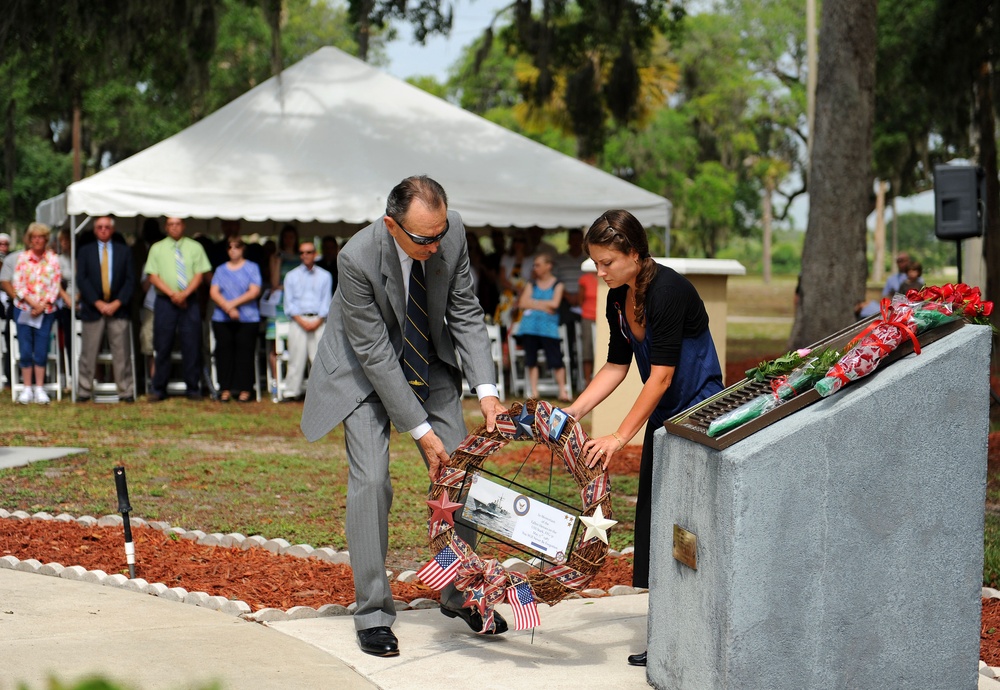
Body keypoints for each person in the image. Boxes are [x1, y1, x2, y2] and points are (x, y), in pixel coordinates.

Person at [300, 175, 507, 658]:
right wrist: (421, 431)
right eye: (423, 239)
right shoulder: (355, 257)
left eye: (439, 235)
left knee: (460, 472)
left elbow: (466, 312)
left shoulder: (450, 232)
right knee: (372, 481)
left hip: (428, 361)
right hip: (361, 369)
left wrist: (487, 390)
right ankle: (372, 613)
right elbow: (374, 353)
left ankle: (461, 594)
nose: (435, 246)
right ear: (392, 225)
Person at [561, 209, 724, 668]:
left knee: (687, 527)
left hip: (696, 417)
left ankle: (689, 636)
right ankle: (667, 634)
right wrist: (573, 412)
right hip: (663, 420)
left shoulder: (668, 291)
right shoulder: (617, 298)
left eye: (608, 262)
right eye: (596, 263)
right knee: (657, 528)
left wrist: (618, 436)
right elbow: (617, 365)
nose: (601, 271)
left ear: (634, 253)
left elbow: (664, 375)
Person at [144, 216, 212, 401]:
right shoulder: (157, 248)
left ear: (184, 226)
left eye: (178, 224)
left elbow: (200, 274)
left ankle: (193, 388)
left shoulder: (195, 247)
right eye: (171, 224)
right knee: (162, 344)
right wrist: (173, 294)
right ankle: (159, 388)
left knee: (192, 344)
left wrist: (185, 294)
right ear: (166, 227)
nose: (174, 227)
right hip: (165, 301)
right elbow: (153, 276)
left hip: (190, 301)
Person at [76, 216, 135, 402]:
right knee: (88, 352)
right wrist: (97, 302)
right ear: (95, 230)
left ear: (112, 230)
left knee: (122, 352)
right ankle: (84, 390)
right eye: (99, 227)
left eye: (106, 227)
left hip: (118, 309)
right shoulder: (85, 251)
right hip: (93, 309)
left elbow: (130, 280)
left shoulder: (123, 251)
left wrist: (118, 302)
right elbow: (82, 279)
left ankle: (125, 391)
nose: (103, 230)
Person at [11, 223, 62, 404]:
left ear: (45, 239)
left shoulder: (53, 259)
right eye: (34, 237)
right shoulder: (23, 259)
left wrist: (43, 304)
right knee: (25, 348)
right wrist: (32, 303)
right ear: (30, 239)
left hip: (46, 310)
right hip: (25, 309)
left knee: (41, 349)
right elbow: (17, 284)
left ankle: (40, 388)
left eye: (40, 237)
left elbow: (56, 285)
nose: (37, 240)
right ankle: (26, 388)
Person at [210, 238, 262, 402]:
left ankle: (245, 389)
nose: (233, 250)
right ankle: (225, 388)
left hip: (247, 318)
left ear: (243, 249)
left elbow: (254, 291)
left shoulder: (252, 267)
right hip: (222, 318)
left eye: (237, 247)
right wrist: (227, 307)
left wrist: (232, 304)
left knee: (244, 353)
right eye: (229, 247)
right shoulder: (220, 269)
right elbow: (214, 291)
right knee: (224, 352)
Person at [280, 240, 331, 401]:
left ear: (315, 254)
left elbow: (326, 301)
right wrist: (301, 321)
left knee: (319, 360)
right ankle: (291, 392)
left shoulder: (325, 275)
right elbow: (288, 303)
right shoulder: (291, 276)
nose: (305, 255)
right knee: (296, 358)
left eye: (308, 252)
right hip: (298, 320)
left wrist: (318, 320)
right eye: (302, 252)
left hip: (318, 319)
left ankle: (321, 394)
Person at [516, 252, 569, 401]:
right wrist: (545, 305)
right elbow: (522, 303)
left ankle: (562, 391)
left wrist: (532, 303)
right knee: (530, 359)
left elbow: (555, 304)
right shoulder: (531, 283)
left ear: (548, 266)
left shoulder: (558, 284)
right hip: (530, 328)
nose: (535, 268)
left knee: (556, 359)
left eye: (538, 265)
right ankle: (534, 392)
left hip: (548, 329)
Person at [577, 269, 598, 384]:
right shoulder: (585, 279)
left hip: (604, 318)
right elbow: (580, 300)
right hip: (588, 317)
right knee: (587, 349)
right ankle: (587, 381)